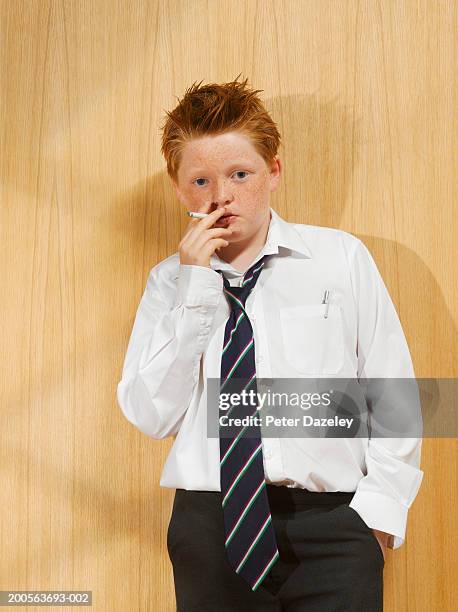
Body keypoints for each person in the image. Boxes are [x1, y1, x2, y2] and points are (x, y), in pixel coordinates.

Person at [116, 75, 424, 611]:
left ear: (273, 171)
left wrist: (376, 517)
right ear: (177, 186)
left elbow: (392, 393)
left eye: (240, 174)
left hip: (332, 528)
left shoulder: (340, 259)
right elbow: (151, 415)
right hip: (211, 531)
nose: (222, 197)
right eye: (201, 181)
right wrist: (194, 289)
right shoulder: (168, 283)